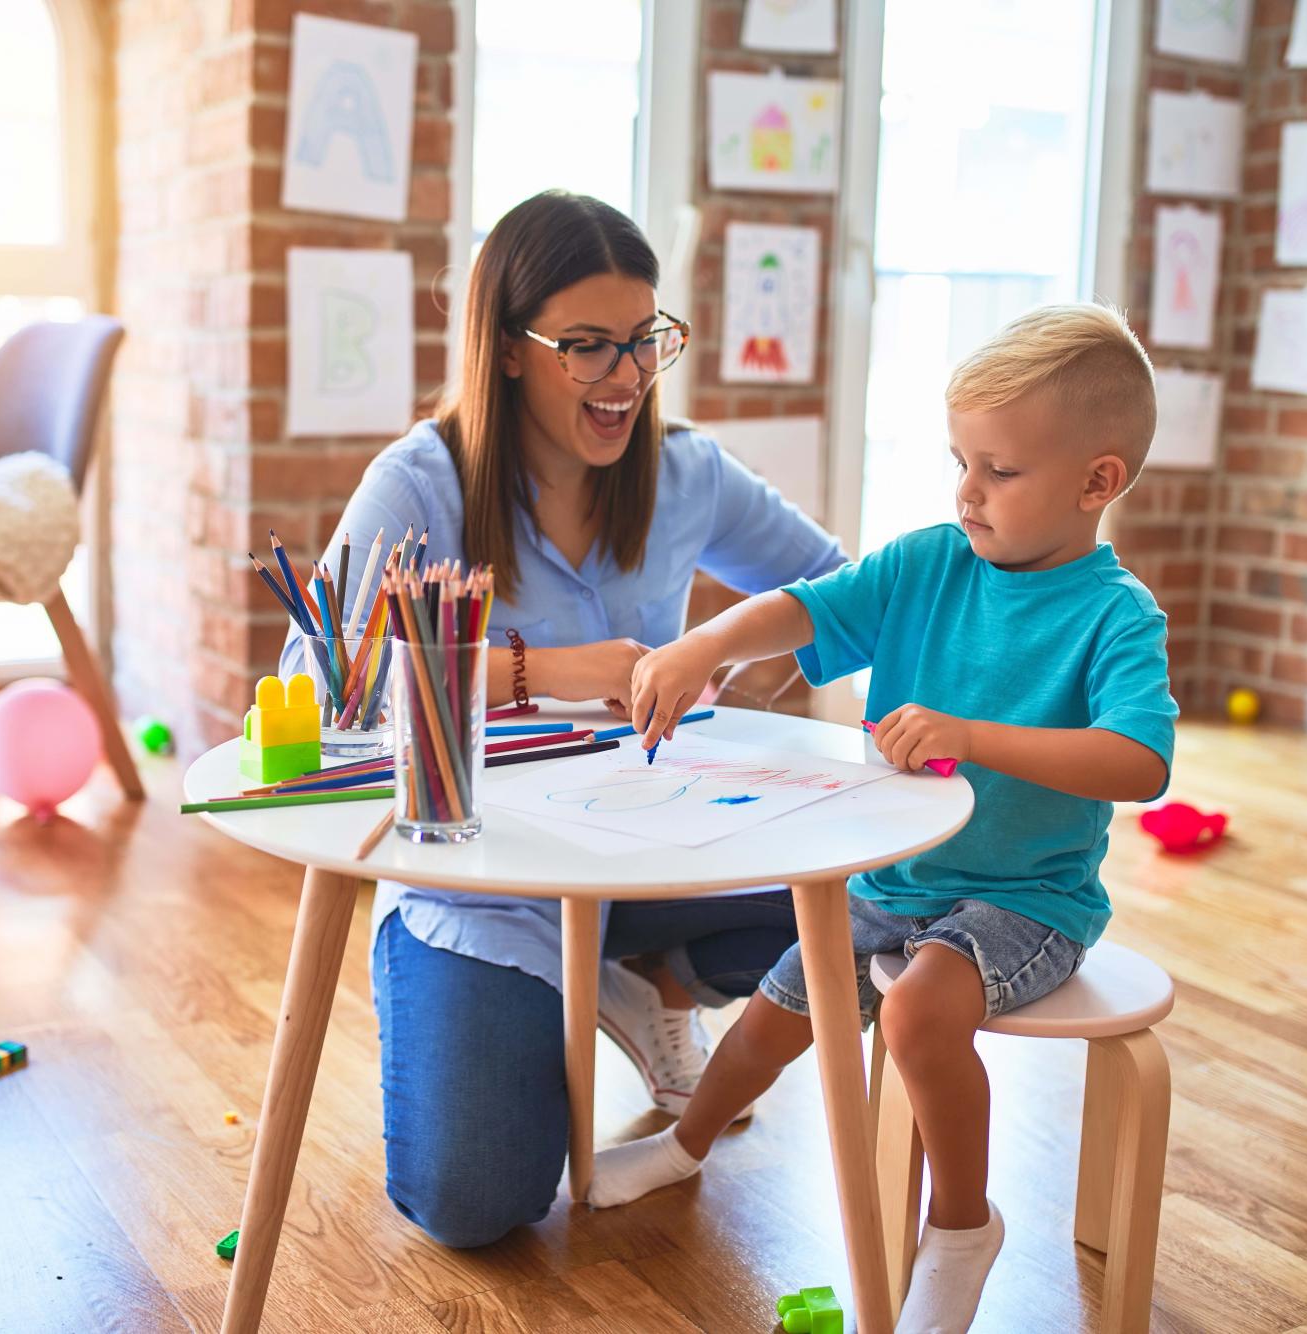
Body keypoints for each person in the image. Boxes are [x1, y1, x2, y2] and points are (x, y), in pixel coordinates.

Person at [588, 303, 1179, 1334]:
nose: (966, 491)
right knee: (765, 1022)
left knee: (911, 1013)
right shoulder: (927, 559)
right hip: (893, 881)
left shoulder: (1115, 613)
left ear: (1097, 481)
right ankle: (685, 1143)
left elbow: (1138, 762)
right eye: (960, 459)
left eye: (998, 470)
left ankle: (959, 1230)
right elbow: (803, 606)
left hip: (1023, 899)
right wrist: (702, 647)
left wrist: (973, 733)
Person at [284, 190, 847, 1247]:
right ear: (505, 350)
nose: (625, 377)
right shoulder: (419, 482)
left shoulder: (686, 473)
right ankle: (549, 988)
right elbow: (320, 694)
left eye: (642, 341)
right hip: (486, 874)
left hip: (659, 841)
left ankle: (647, 979)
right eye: (585, 347)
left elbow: (842, 587)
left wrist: (719, 646)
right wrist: (533, 666)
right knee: (478, 1201)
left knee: (866, 906)